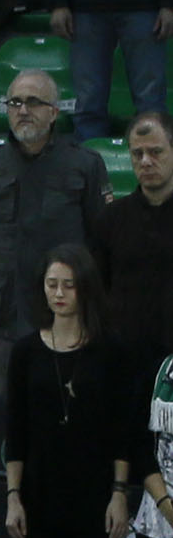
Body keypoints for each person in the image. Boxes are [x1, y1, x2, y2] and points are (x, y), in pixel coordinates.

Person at [0, 70, 105, 399]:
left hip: (66, 315)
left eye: (33, 102)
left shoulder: (85, 166)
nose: (22, 110)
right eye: (14, 102)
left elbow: (99, 244)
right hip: (3, 318)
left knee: (67, 414)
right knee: (7, 417)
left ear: (54, 112)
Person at [2, 248, 135, 538]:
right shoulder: (25, 352)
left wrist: (120, 494)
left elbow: (122, 430)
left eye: (69, 285)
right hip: (40, 492)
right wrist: (13, 496)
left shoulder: (111, 350)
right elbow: (16, 430)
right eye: (51, 284)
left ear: (85, 288)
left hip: (96, 491)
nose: (58, 293)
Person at [91, 113, 173, 382]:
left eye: (155, 152)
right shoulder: (110, 220)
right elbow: (98, 291)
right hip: (125, 364)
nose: (146, 161)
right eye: (137, 154)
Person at [53, 0, 172, 136]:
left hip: (145, 2)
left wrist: (169, 3)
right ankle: (88, 161)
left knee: (151, 103)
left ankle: (155, 156)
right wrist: (57, 3)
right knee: (88, 104)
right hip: (86, 3)